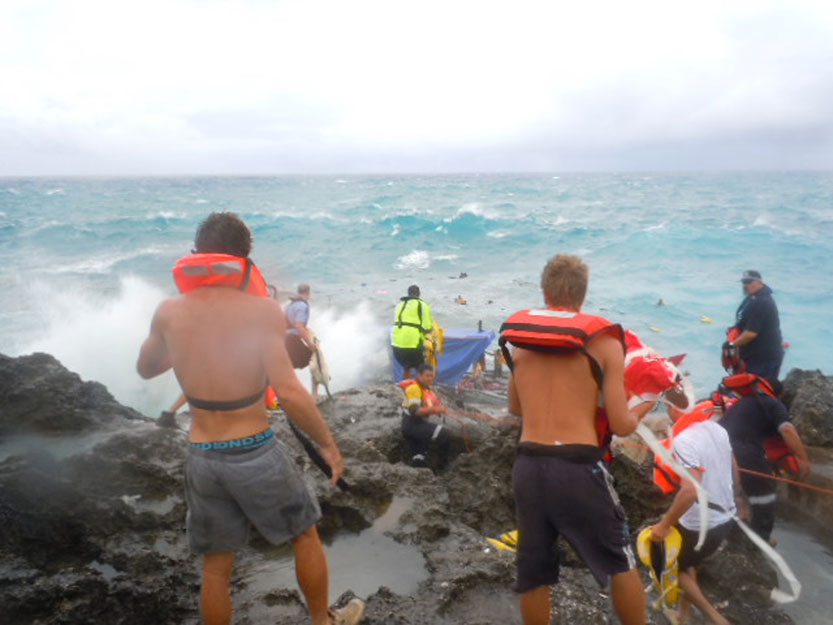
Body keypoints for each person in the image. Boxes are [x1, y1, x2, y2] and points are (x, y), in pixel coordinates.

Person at [136, 212, 363, 625]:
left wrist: (185, 343)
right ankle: (323, 620)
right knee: (304, 534)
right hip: (253, 450)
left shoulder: (168, 311)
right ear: (245, 261)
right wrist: (329, 446)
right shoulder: (261, 311)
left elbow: (147, 368)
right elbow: (291, 392)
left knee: (216, 567)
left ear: (195, 256)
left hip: (202, 454)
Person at [503, 254, 646, 625]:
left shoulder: (522, 343)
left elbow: (515, 408)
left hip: (529, 466)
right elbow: (621, 423)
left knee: (534, 571)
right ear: (582, 296)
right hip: (578, 468)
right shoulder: (603, 345)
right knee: (620, 560)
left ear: (544, 291)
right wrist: (644, 407)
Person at [650, 404, 748, 625]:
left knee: (674, 565)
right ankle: (683, 615)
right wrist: (738, 498)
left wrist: (664, 525)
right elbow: (733, 466)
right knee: (689, 562)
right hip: (725, 515)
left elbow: (689, 491)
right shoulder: (717, 429)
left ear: (672, 410)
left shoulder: (683, 440)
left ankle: (715, 618)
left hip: (701, 523)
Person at [719, 379, 810, 543]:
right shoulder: (774, 404)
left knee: (733, 492)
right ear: (779, 395)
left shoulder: (742, 403)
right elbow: (787, 430)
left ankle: (731, 531)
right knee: (765, 491)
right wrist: (803, 460)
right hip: (743, 451)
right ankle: (761, 538)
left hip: (717, 448)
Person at [729, 270, 783, 380]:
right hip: (757, 355)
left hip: (764, 358)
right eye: (744, 282)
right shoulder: (754, 297)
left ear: (760, 282)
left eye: (749, 282)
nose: (746, 285)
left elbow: (750, 333)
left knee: (759, 392)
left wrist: (731, 345)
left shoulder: (761, 302)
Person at [400, 363, 450, 471]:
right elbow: (414, 411)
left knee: (419, 458)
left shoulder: (427, 390)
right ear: (419, 376)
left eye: (432, 376)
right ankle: (442, 468)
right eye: (427, 375)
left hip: (419, 424)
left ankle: (419, 469)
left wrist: (439, 409)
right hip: (412, 425)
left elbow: (432, 405)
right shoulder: (414, 388)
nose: (430, 378)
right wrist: (435, 410)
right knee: (444, 434)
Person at [392, 285, 434, 380]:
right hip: (412, 344)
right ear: (419, 294)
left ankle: (406, 388)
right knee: (421, 368)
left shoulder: (399, 305)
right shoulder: (422, 305)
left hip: (396, 344)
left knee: (406, 367)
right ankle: (420, 390)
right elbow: (427, 327)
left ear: (408, 293)